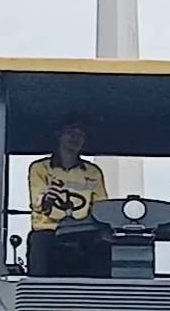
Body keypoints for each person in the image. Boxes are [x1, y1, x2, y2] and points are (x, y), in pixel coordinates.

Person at [26, 114, 108, 277]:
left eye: (80, 135)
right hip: (49, 231)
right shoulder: (40, 168)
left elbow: (101, 207)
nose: (75, 138)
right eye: (71, 133)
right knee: (39, 241)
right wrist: (48, 198)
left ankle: (104, 293)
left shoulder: (93, 172)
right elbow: (39, 202)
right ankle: (37, 291)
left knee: (104, 244)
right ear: (59, 135)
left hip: (83, 232)